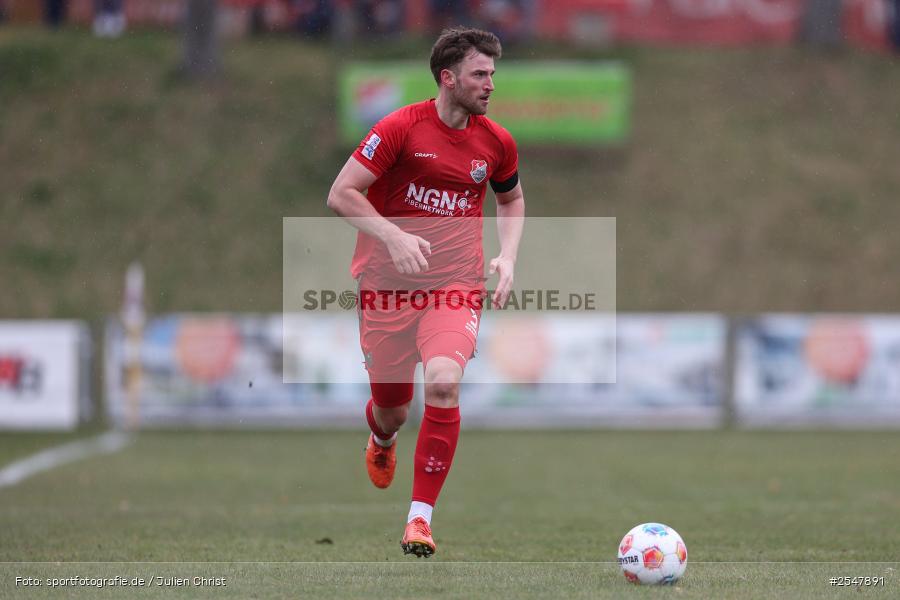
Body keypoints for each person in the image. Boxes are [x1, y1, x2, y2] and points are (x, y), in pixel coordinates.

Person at [326, 27, 525, 557]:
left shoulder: (496, 140)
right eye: (480, 74)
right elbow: (341, 194)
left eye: (492, 74)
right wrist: (392, 235)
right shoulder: (399, 128)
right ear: (448, 77)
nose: (489, 84)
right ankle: (382, 437)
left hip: (455, 285)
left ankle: (419, 519)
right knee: (393, 410)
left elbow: (510, 200)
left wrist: (507, 256)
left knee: (443, 383)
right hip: (387, 290)